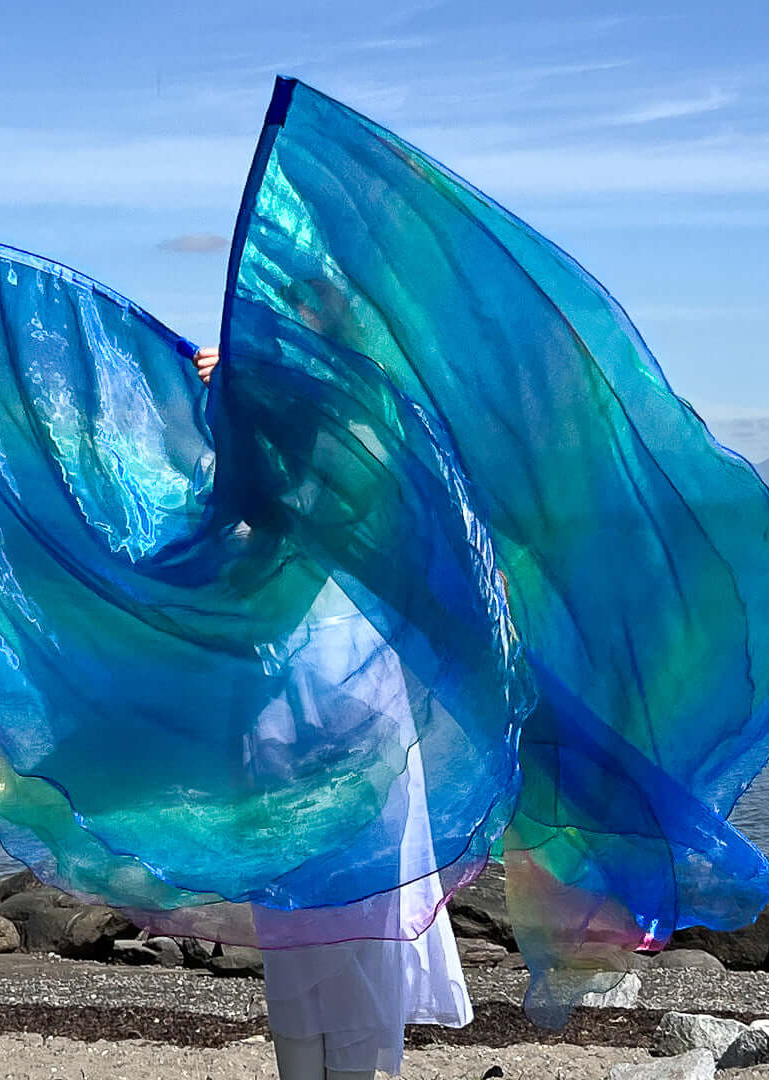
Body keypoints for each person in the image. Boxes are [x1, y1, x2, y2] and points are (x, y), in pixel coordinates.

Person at [193, 345, 473, 1080]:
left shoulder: (367, 448)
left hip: (352, 703)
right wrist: (232, 407)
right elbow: (224, 532)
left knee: (364, 904)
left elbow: (339, 483)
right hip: (277, 704)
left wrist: (255, 390)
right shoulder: (253, 473)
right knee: (292, 908)